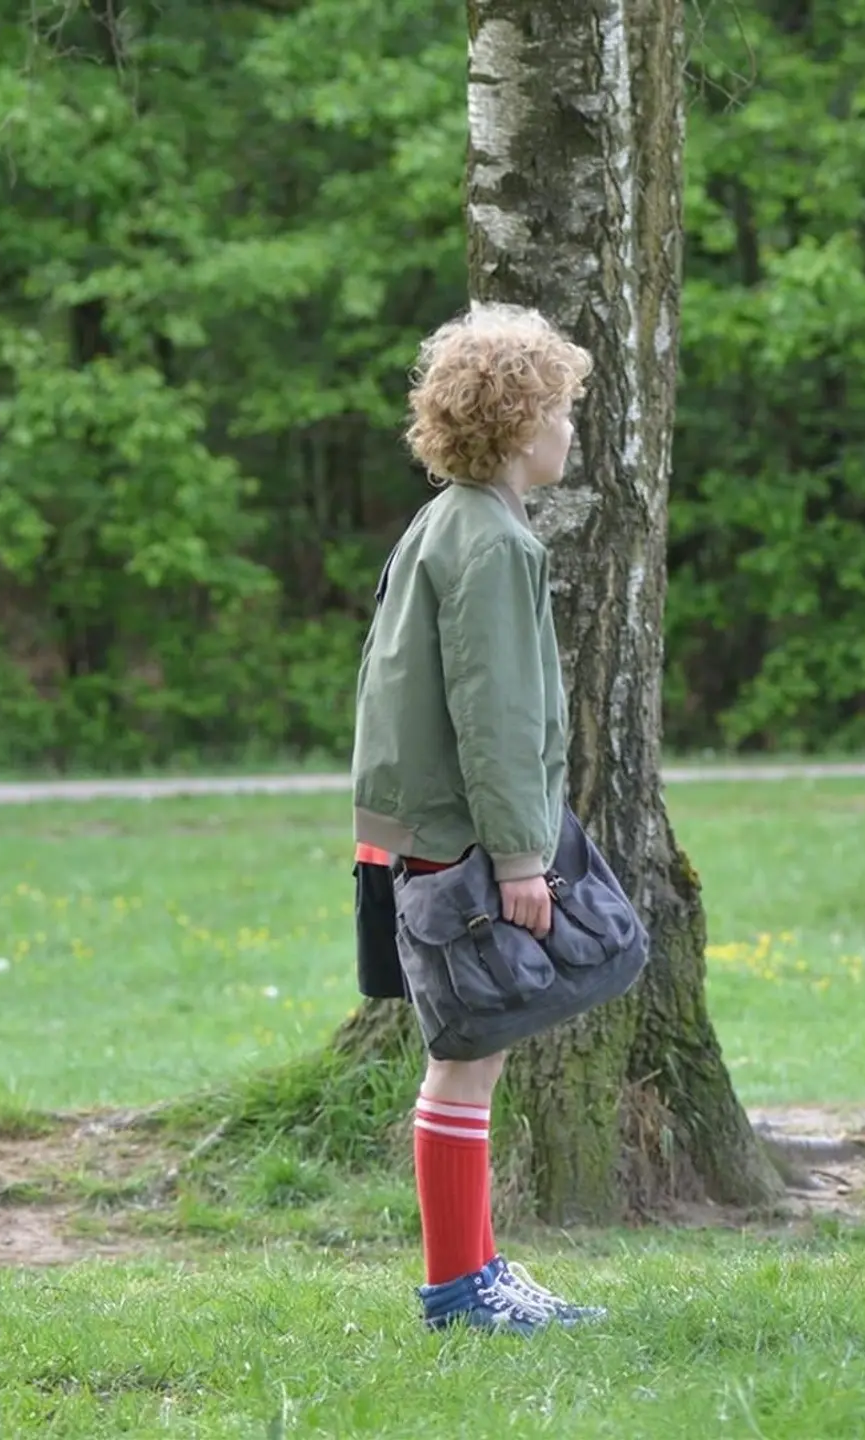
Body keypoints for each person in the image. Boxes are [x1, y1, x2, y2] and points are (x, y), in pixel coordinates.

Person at [350, 301, 604, 1334]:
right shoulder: (492, 544)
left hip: (417, 828)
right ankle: (460, 1287)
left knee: (469, 1050)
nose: (569, 428)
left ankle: (476, 1271)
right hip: (459, 839)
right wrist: (518, 858)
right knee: (469, 1050)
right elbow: (495, 718)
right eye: (558, 408)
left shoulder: (447, 521)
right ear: (516, 421)